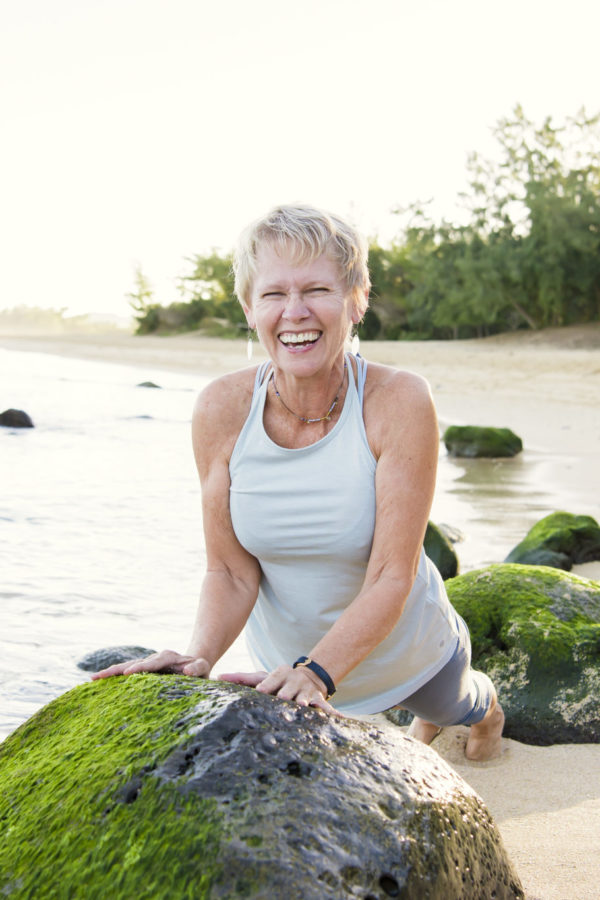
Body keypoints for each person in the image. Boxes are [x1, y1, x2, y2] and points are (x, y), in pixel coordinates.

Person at [93, 204, 504, 761]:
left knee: (452, 706)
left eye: (316, 289)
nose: (295, 312)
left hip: (405, 650)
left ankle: (487, 705)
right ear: (248, 306)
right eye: (272, 294)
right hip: (286, 666)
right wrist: (200, 657)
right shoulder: (220, 407)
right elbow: (231, 571)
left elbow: (391, 572)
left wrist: (319, 670)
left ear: (355, 300)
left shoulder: (399, 400)